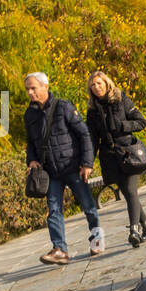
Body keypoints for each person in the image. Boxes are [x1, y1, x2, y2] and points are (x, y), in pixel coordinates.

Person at [24, 72, 103, 266]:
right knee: (54, 210)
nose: (30, 92)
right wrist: (31, 159)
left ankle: (96, 238)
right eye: (27, 89)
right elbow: (30, 142)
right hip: (50, 171)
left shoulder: (64, 107)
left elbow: (84, 135)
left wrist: (87, 164)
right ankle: (60, 250)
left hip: (73, 167)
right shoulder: (30, 114)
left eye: (33, 88)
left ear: (45, 86)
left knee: (88, 206)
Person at [86, 71, 146, 247]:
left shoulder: (121, 99)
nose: (96, 87)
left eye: (99, 83)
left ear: (107, 84)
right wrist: (88, 162)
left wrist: (123, 125)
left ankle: (134, 230)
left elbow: (141, 122)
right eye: (93, 85)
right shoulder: (92, 110)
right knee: (127, 193)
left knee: (130, 191)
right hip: (110, 156)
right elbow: (92, 138)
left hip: (129, 152)